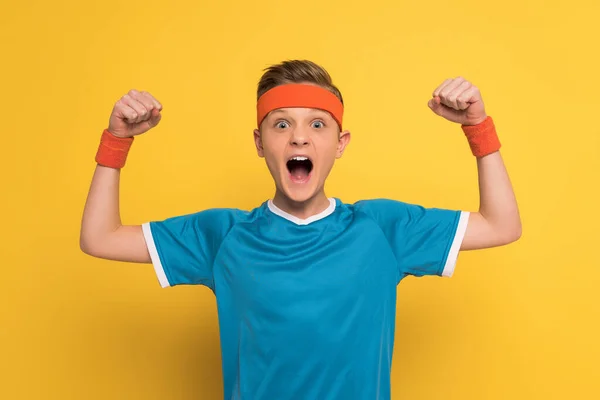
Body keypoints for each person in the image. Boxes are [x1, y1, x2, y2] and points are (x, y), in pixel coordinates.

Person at [80, 60, 521, 400]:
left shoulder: (382, 229)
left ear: (339, 144)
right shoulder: (223, 235)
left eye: (317, 124)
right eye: (281, 123)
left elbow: (501, 225)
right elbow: (100, 237)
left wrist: (477, 128)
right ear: (260, 143)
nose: (299, 138)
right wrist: (117, 140)